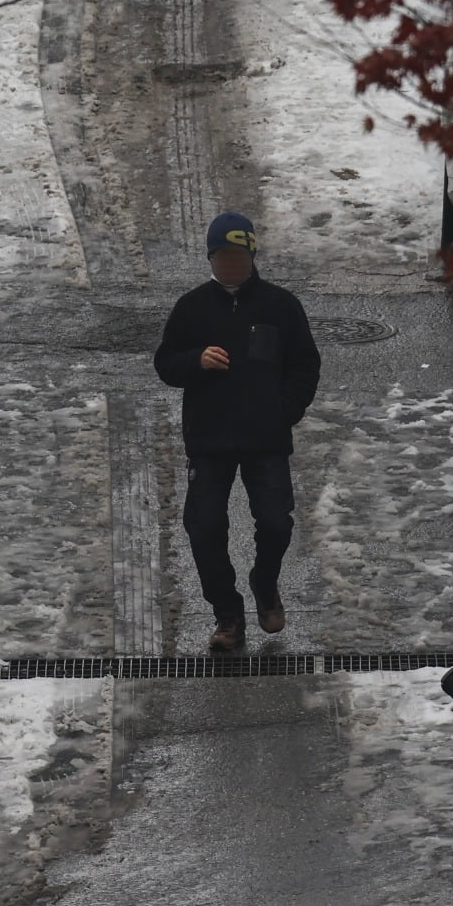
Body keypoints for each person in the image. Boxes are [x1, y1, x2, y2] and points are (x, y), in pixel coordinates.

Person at [153, 212, 320, 650]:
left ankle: (265, 584)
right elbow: (165, 364)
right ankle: (227, 614)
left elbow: (305, 365)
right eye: (223, 257)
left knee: (275, 523)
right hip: (210, 442)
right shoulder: (191, 308)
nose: (231, 265)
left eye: (238, 257)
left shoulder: (281, 306)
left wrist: (284, 411)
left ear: (251, 257)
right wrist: (196, 362)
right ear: (210, 259)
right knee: (203, 525)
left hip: (266, 440)